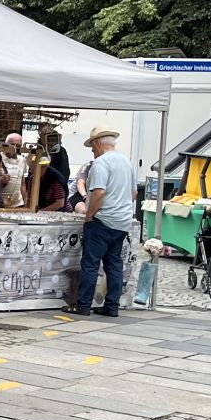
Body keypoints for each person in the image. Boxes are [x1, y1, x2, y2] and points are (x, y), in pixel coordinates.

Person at [75, 127, 136, 316]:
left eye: (92, 146)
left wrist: (89, 215)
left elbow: (99, 192)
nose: (92, 151)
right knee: (114, 264)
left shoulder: (101, 163)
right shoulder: (126, 162)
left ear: (98, 143)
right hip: (122, 221)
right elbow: (133, 193)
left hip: (103, 220)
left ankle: (83, 305)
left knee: (90, 264)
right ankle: (112, 306)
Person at [0, 133, 32, 209]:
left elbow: (22, 184)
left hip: (17, 204)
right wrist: (0, 180)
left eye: (18, 146)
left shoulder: (22, 160)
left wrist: (25, 202)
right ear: (5, 144)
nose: (15, 148)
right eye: (12, 144)